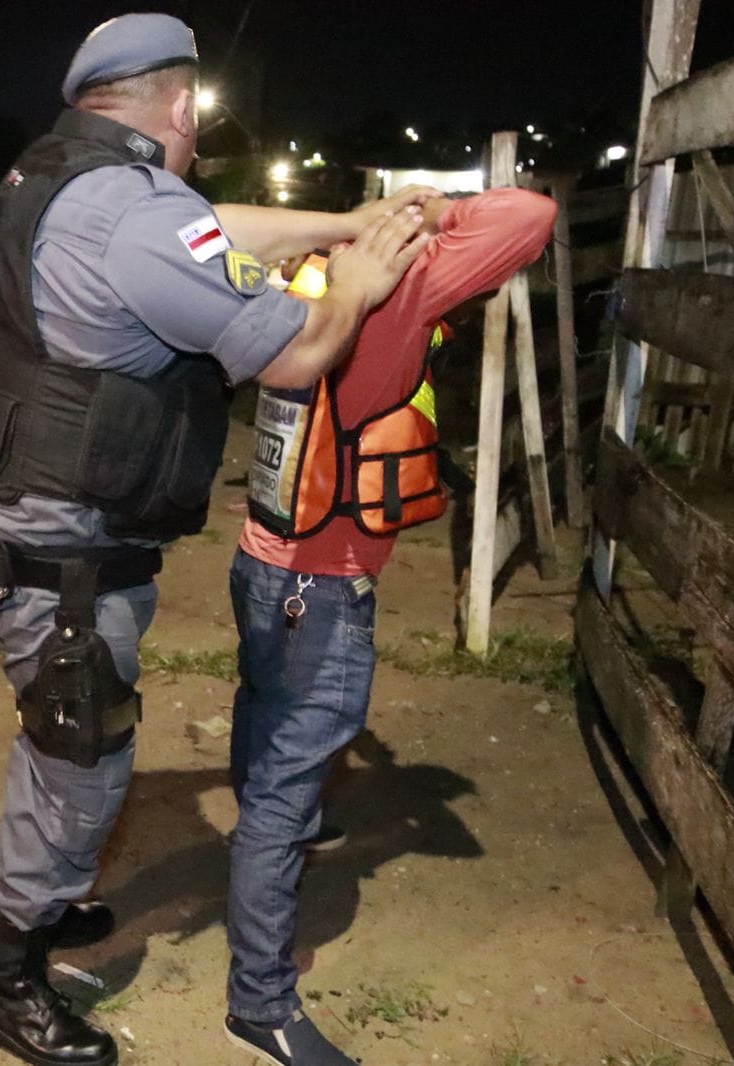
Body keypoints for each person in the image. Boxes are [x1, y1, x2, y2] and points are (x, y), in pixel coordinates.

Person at [0, 14, 435, 1066]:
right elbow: (300, 353)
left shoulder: (56, 178)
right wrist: (357, 281)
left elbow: (210, 228)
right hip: (63, 553)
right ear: (179, 108)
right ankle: (7, 979)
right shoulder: (131, 210)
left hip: (28, 527)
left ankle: (46, 900)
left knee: (62, 742)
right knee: (82, 762)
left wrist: (334, 220)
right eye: (197, 122)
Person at [223, 185, 559, 1063]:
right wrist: (430, 213)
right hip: (323, 585)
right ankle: (259, 1003)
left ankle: (273, 823)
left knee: (264, 710)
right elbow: (529, 218)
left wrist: (363, 223)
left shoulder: (300, 276)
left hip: (262, 560)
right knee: (288, 781)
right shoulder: (395, 287)